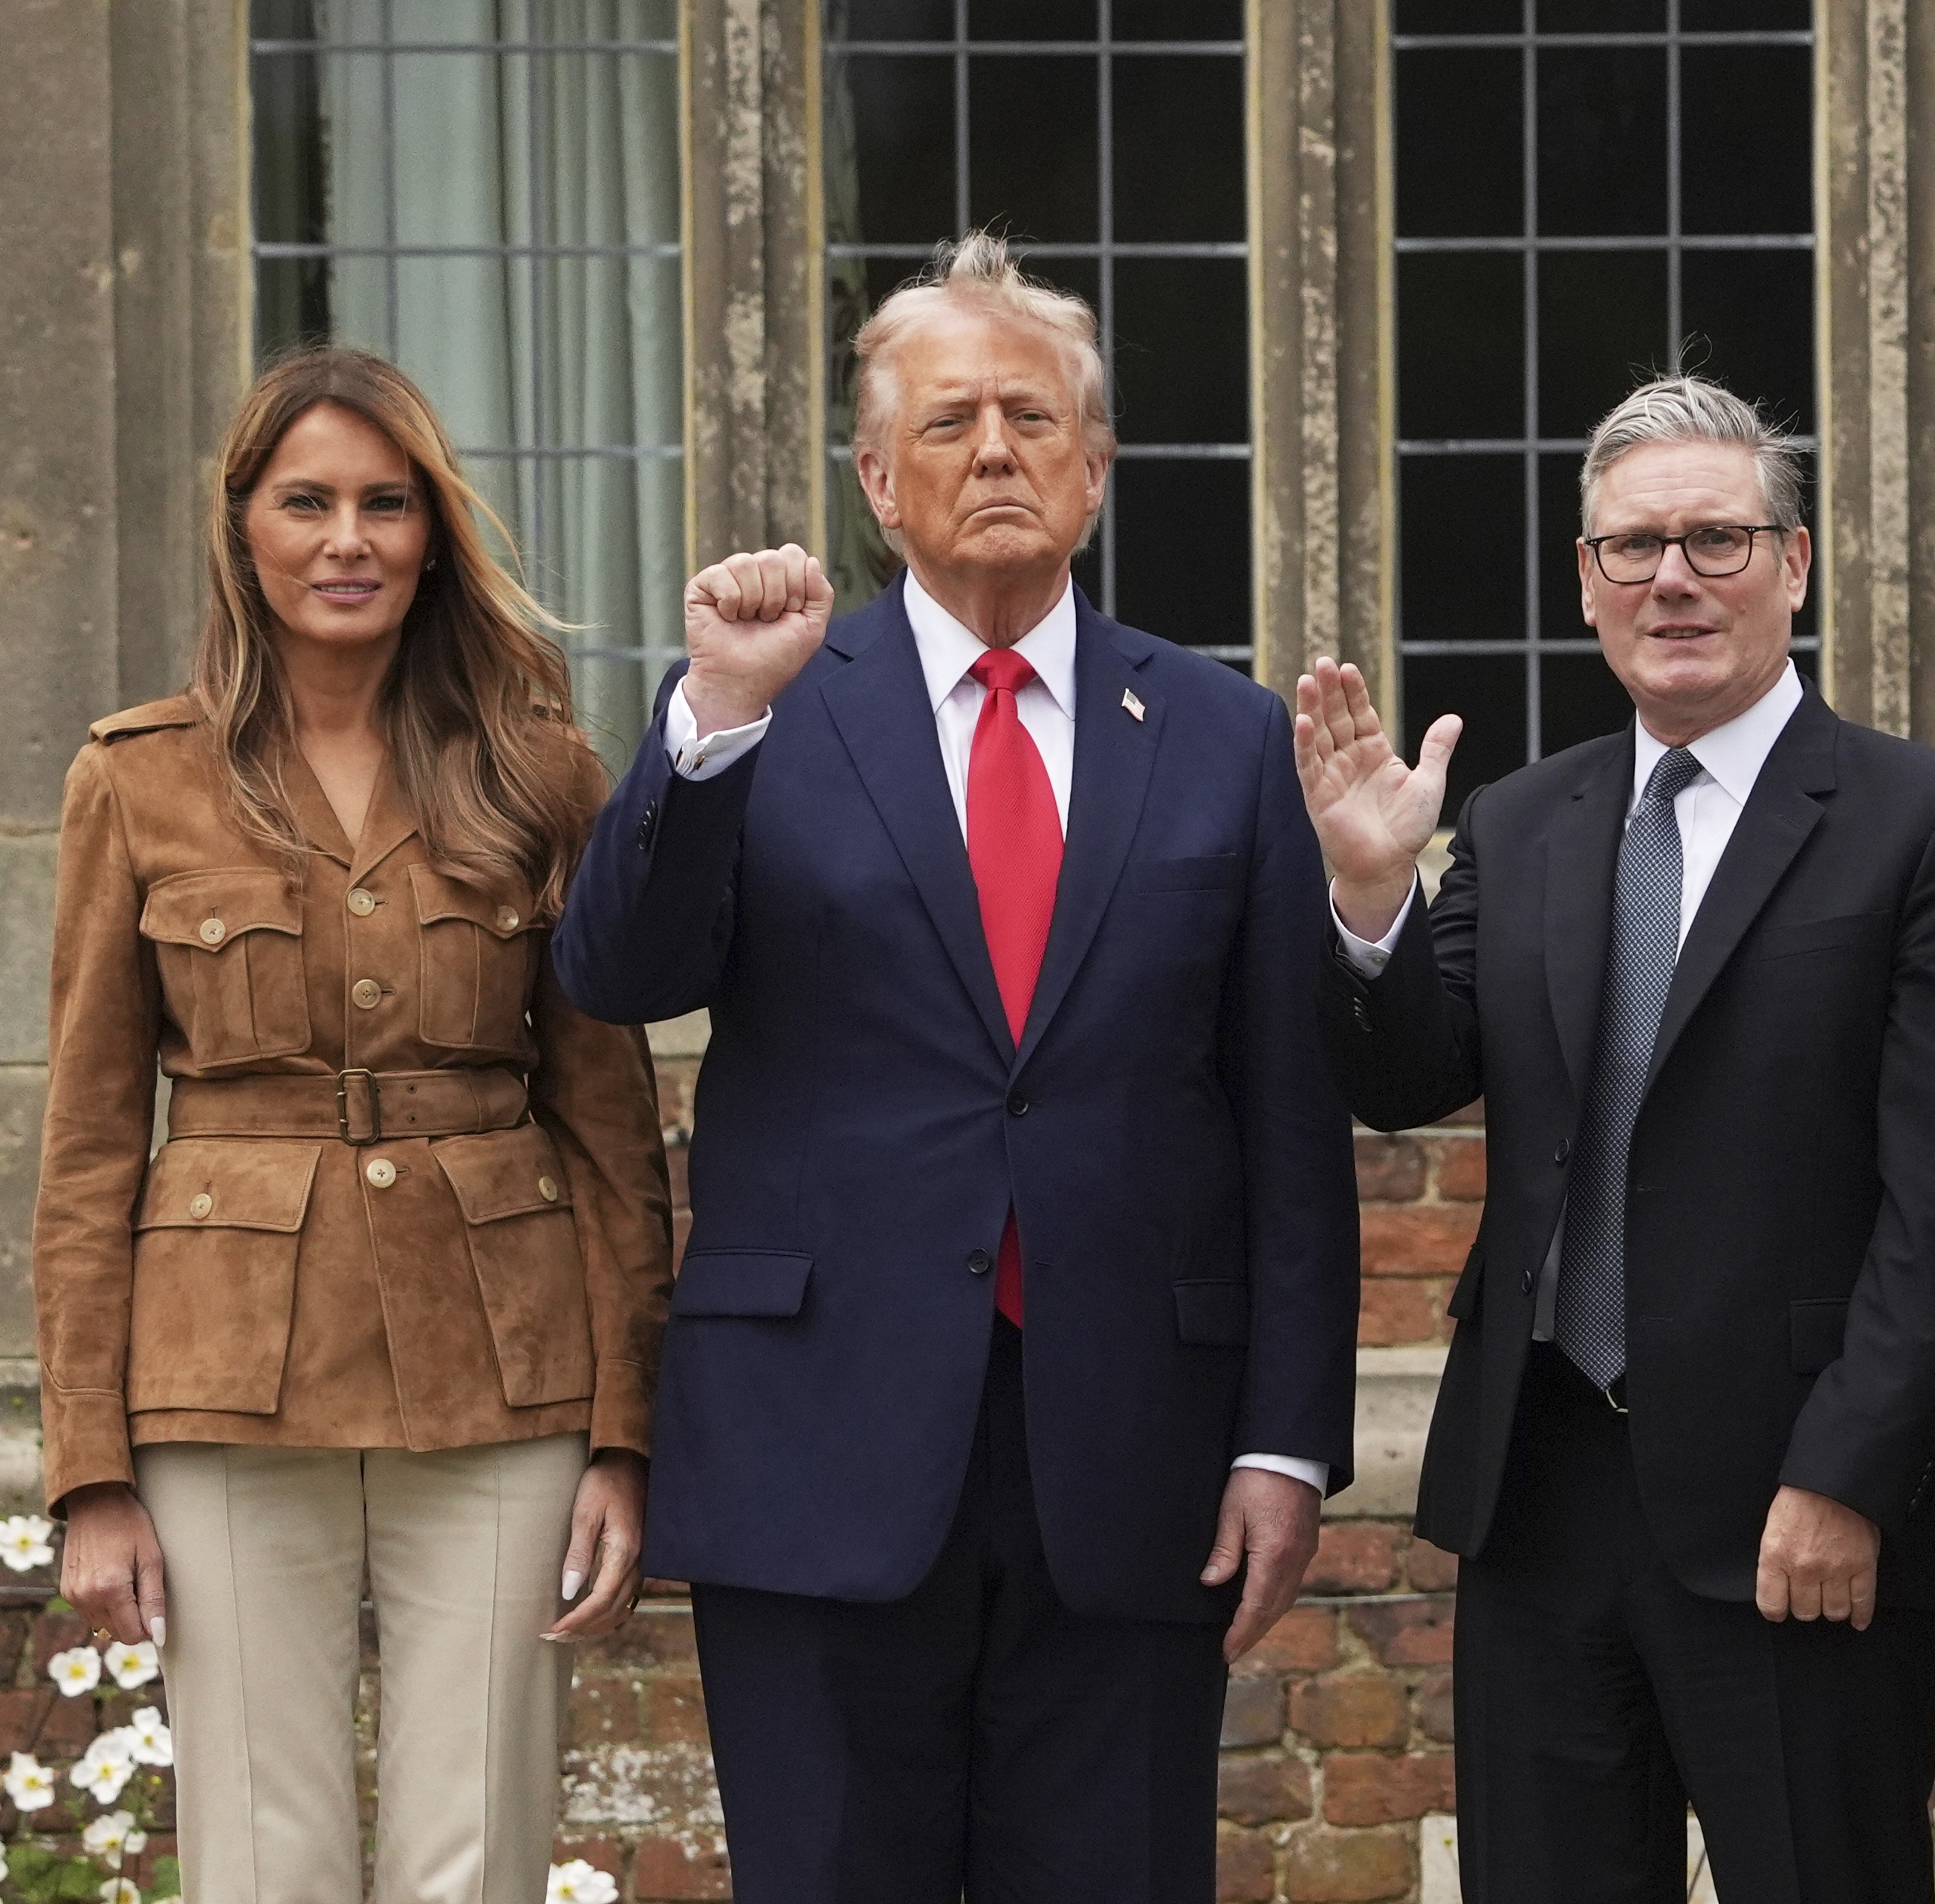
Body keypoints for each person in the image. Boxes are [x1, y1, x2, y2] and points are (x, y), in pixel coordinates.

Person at [550, 233, 1359, 1903]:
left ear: (1096, 466)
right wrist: (707, 723)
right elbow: (616, 974)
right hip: (818, 1440)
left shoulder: (1221, 736)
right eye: (947, 424)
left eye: (1030, 417)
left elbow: (1285, 1115)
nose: (994, 450)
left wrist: (1286, 1438)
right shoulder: (763, 705)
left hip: (1129, 1445)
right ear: (874, 477)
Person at [1302, 372, 1935, 1903]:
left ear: (1794, 564)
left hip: (1797, 1504)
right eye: (1634, 547)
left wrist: (1846, 1473)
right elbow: (1404, 1076)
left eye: (1718, 538)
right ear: (1583, 581)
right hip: (1542, 1491)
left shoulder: (1928, 824)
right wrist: (1369, 897)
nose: (1674, 579)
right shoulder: (1517, 822)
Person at [34, 348, 675, 1904]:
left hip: (507, 1366)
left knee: (481, 1846)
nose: (348, 540)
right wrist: (88, 1470)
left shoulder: (540, 771)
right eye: (306, 501)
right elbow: (87, 1143)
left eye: (386, 505)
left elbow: (608, 1125)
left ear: (433, 534)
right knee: (264, 1856)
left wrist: (623, 1431)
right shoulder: (139, 781)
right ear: (242, 528)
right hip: (220, 1374)